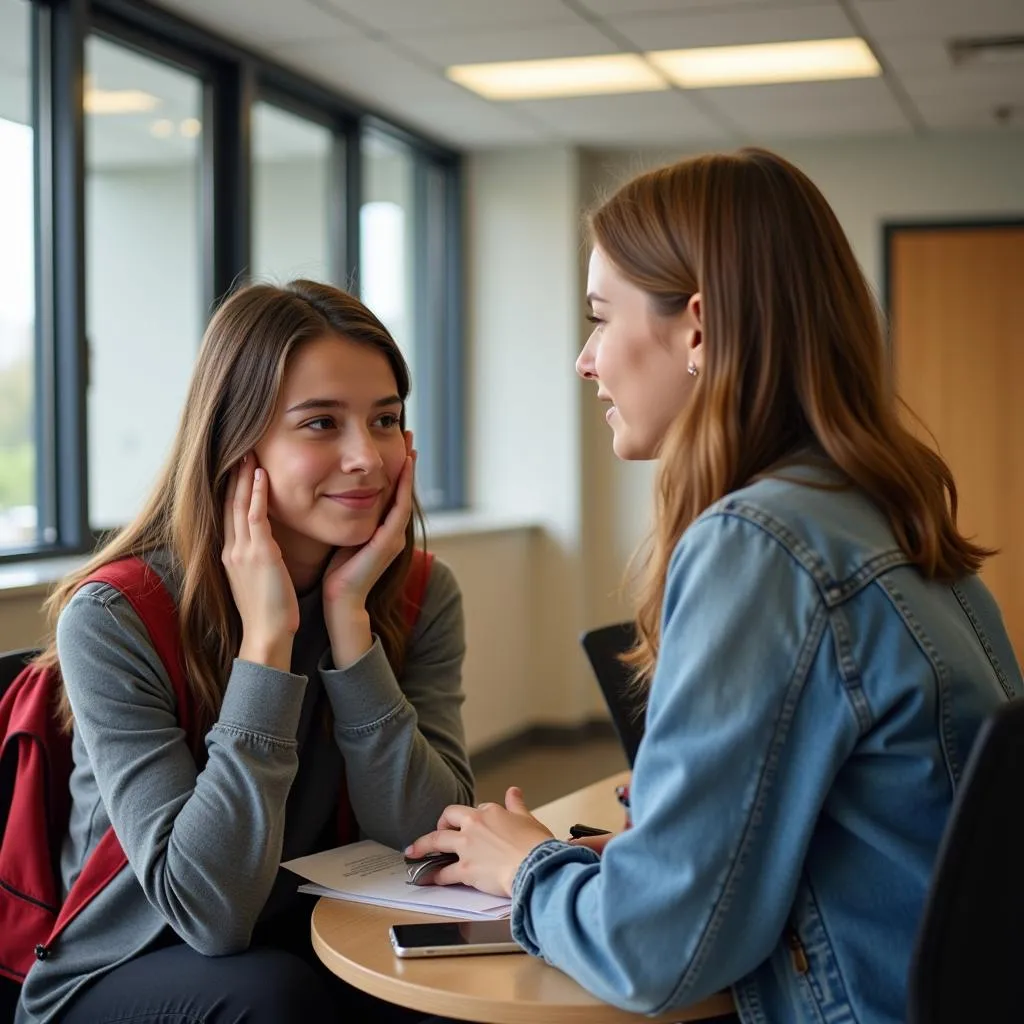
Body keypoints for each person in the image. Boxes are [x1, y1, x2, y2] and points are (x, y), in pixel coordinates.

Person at [405, 148, 1023, 1024]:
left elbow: (656, 953)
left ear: (697, 327)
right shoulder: (883, 512)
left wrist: (527, 867)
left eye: (599, 317)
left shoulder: (760, 543)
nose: (585, 361)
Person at [18, 281, 473, 1024]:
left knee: (457, 982)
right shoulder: (114, 616)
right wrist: (268, 649)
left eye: (385, 420)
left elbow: (431, 842)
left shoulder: (421, 594)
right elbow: (211, 915)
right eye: (321, 422)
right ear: (237, 440)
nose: (367, 456)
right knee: (272, 997)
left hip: (309, 929)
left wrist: (350, 628)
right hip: (135, 962)